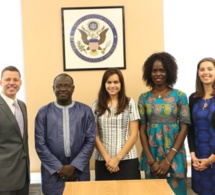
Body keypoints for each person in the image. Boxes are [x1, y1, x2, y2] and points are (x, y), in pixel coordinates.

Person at [138, 52, 190, 195]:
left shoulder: (180, 96)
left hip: (175, 155)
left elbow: (184, 127)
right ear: (149, 73)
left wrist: (168, 160)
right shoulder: (144, 98)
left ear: (169, 72)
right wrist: (151, 161)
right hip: (152, 155)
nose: (158, 74)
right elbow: (141, 130)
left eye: (162, 70)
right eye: (154, 70)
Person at [35, 73, 96, 195]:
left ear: (73, 88)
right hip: (52, 173)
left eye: (67, 86)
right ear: (53, 88)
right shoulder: (43, 113)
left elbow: (90, 141)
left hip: (78, 172)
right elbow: (40, 145)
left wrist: (74, 166)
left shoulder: (85, 111)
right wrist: (59, 168)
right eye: (59, 86)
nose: (63, 89)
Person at [92, 68, 141, 180]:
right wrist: (108, 159)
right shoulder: (96, 105)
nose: (112, 86)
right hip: (104, 162)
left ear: (121, 84)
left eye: (116, 82)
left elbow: (134, 136)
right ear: (104, 84)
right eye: (109, 82)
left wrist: (117, 159)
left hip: (127, 160)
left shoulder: (130, 103)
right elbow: (94, 136)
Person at [0, 66, 30, 195]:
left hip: (23, 177)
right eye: (7, 79)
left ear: (20, 83)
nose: (12, 83)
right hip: (4, 179)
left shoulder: (22, 106)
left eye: (15, 79)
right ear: (1, 82)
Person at [188, 57, 215, 195]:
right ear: (198, 73)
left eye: (210, 69)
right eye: (202, 69)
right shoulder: (193, 98)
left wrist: (210, 160)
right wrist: (193, 155)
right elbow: (190, 129)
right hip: (198, 159)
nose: (206, 72)